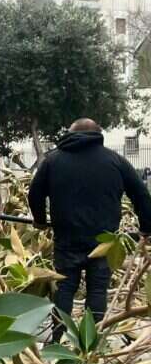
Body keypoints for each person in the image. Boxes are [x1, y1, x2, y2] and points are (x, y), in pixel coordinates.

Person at [28, 118, 151, 342]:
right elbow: (141, 194)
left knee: (64, 288)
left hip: (67, 239)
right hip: (103, 241)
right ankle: (91, 344)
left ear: (69, 133)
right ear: (98, 134)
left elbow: (34, 193)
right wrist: (146, 228)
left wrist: (40, 220)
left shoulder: (53, 161)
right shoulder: (115, 161)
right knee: (97, 290)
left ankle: (57, 339)